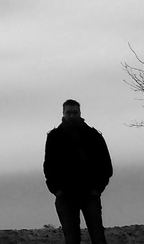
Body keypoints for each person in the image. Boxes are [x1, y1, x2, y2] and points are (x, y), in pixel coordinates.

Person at [43, 98, 112, 244]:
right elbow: (49, 166)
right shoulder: (54, 137)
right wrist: (57, 190)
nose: (72, 116)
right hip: (66, 195)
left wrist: (97, 188)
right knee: (72, 239)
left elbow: (106, 165)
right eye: (69, 113)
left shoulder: (93, 136)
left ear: (80, 113)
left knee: (98, 236)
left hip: (89, 193)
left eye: (75, 112)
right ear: (63, 113)